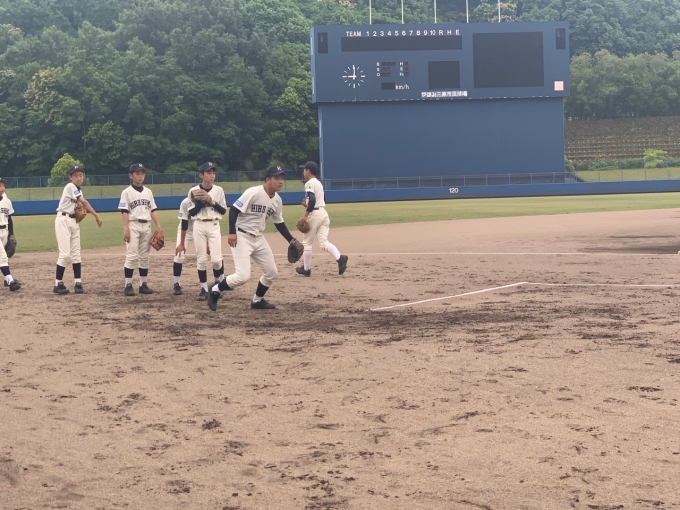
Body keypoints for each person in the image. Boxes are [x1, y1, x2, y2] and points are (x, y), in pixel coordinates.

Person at [207, 165, 298, 311]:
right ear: (267, 180)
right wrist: (232, 232)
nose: (280, 181)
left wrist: (291, 240)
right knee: (242, 276)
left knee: (271, 273)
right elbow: (234, 210)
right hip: (242, 236)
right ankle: (215, 290)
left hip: (259, 238)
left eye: (282, 178)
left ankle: (257, 301)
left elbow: (279, 223)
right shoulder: (254, 192)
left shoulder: (277, 200)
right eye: (276, 178)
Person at [53, 165, 103, 294]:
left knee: (76, 253)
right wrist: (96, 216)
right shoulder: (70, 186)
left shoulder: (78, 190)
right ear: (70, 178)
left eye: (81, 175)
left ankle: (78, 283)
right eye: (75, 176)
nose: (79, 178)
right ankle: (57, 284)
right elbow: (84, 203)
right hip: (63, 220)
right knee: (65, 254)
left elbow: (80, 206)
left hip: (74, 221)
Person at [295, 161, 348, 277]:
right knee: (324, 242)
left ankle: (306, 269)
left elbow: (313, 199)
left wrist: (306, 214)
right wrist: (308, 205)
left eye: (304, 170)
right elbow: (323, 199)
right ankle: (340, 258)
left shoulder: (309, 183)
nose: (303, 172)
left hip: (314, 214)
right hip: (323, 213)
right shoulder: (319, 183)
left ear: (308, 171)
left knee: (307, 243)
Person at [119, 163, 163, 296]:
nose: (140, 176)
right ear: (131, 175)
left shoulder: (148, 192)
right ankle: (128, 285)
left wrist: (159, 227)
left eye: (142, 173)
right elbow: (124, 211)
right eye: (137, 173)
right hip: (133, 224)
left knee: (144, 256)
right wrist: (126, 229)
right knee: (132, 255)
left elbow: (153, 210)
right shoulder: (126, 192)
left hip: (147, 225)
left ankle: (143, 284)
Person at [186, 162, 227, 300]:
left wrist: (211, 201)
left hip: (214, 224)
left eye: (213, 173)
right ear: (201, 175)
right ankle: (203, 289)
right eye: (209, 173)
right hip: (199, 224)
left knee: (216, 260)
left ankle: (216, 287)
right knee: (202, 259)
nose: (212, 175)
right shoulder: (193, 190)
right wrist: (201, 203)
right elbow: (191, 213)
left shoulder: (219, 190)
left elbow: (223, 210)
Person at [0, 177, 20, 292]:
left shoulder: (6, 201)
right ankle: (10, 281)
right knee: (2, 256)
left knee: (4, 256)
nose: (2, 188)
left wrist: (11, 234)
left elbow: (9, 219)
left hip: (5, 231)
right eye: (0, 186)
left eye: (3, 185)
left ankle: (6, 279)